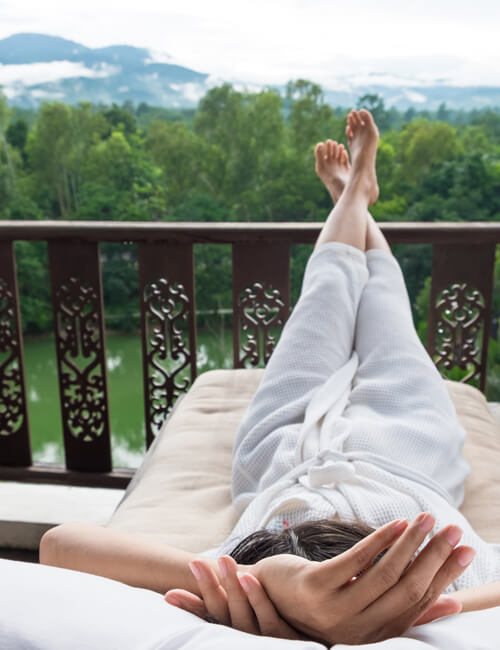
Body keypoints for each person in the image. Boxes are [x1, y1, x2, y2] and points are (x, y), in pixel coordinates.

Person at [40, 110, 500, 647]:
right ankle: (354, 191)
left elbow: (60, 546)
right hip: (409, 451)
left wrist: (261, 579)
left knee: (327, 291)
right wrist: (420, 610)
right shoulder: (453, 578)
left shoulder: (245, 593)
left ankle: (353, 194)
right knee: (385, 304)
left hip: (282, 455)